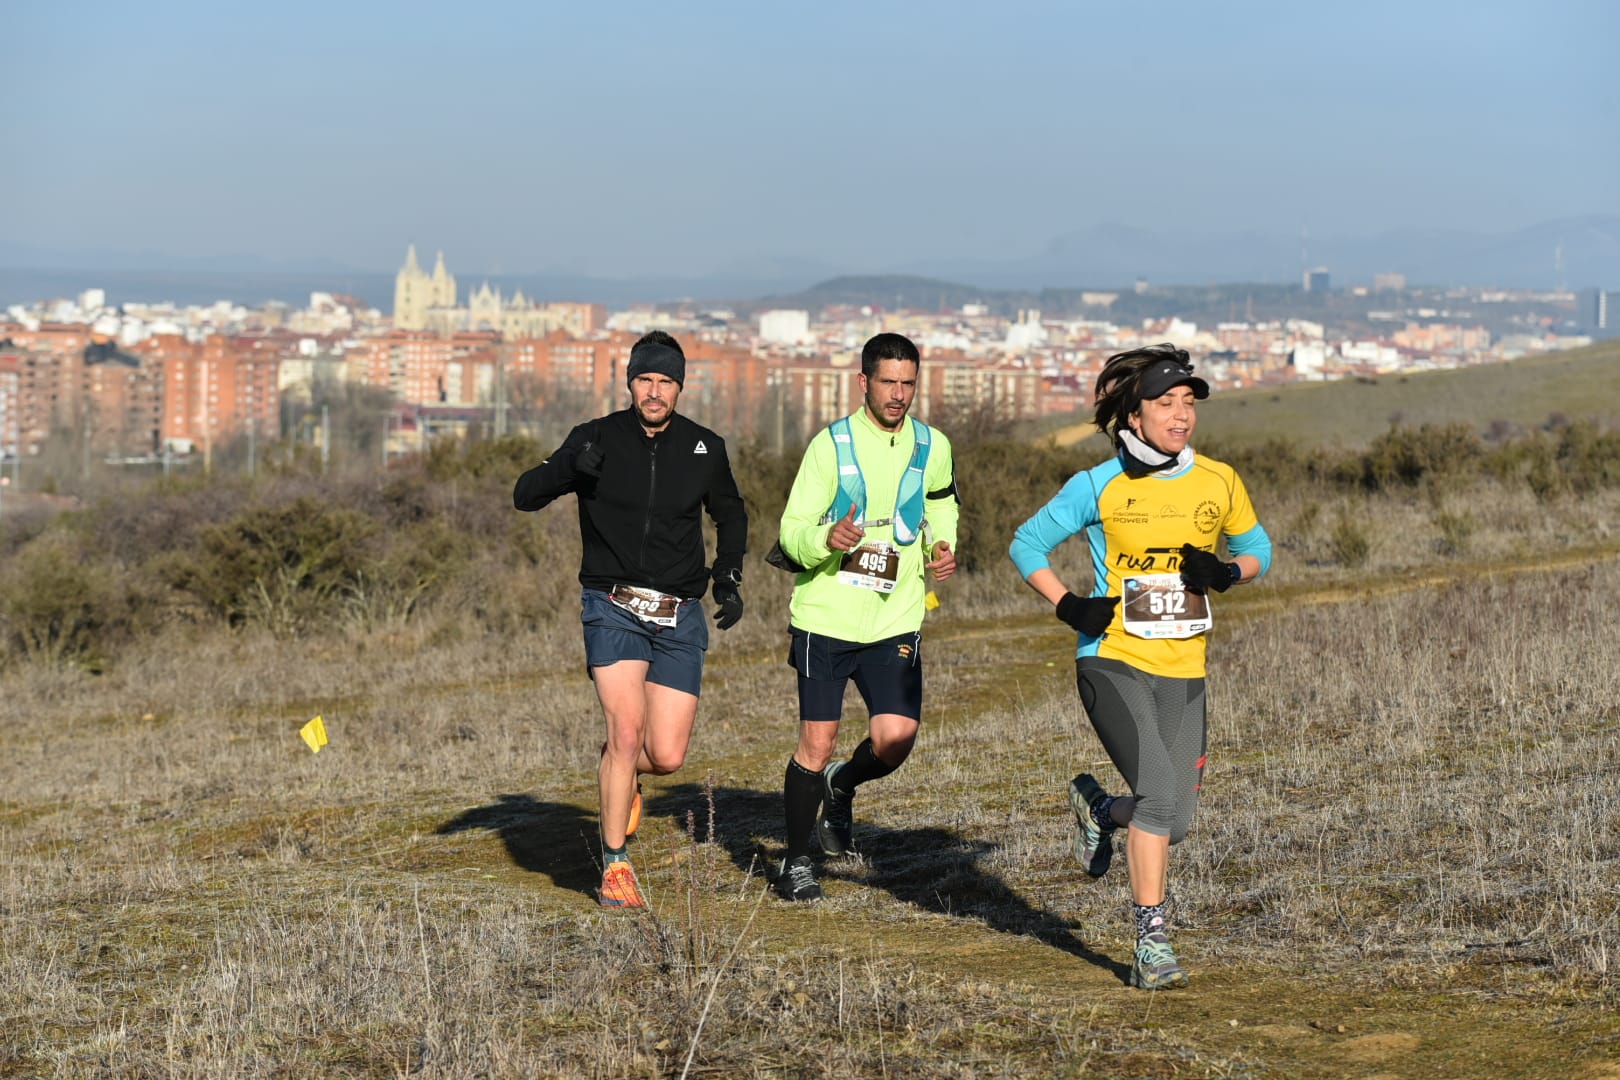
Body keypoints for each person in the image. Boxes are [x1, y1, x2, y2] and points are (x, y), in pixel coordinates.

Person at [1008, 343, 1271, 989]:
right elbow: (1027, 543)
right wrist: (1069, 604)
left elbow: (1258, 549)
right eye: (1165, 403)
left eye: (1188, 404)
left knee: (1172, 821)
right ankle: (1151, 941)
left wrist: (1227, 572)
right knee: (1157, 793)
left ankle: (1100, 810)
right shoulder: (1099, 484)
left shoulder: (1219, 480)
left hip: (1184, 666)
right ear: (1134, 416)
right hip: (1113, 658)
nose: (1181, 415)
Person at [513, 330, 748, 909]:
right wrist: (571, 467)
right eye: (645, 379)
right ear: (630, 382)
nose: (655, 391)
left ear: (680, 387)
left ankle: (621, 773)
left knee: (665, 755)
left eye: (666, 381)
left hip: (678, 614)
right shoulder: (594, 437)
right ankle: (615, 865)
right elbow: (525, 494)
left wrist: (728, 574)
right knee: (625, 732)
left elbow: (731, 513)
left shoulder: (705, 446)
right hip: (611, 604)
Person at [771, 332, 960, 902]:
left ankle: (842, 784)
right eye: (887, 382)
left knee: (896, 738)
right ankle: (796, 862)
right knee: (818, 741)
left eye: (908, 383)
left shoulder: (932, 444)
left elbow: (941, 502)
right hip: (826, 617)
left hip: (894, 616)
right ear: (863, 382)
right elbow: (791, 530)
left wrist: (942, 545)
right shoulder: (829, 445)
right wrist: (825, 538)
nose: (898, 394)